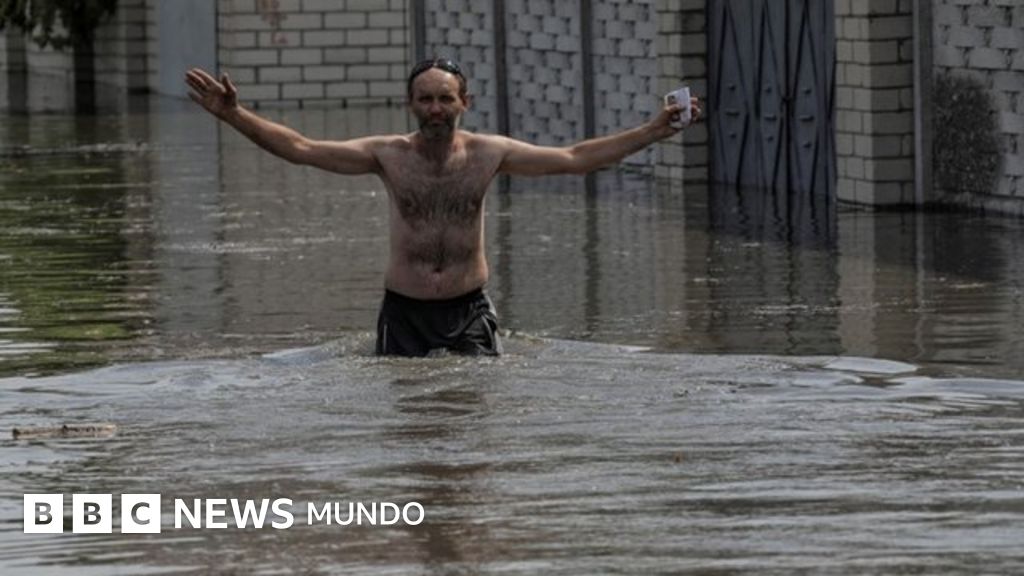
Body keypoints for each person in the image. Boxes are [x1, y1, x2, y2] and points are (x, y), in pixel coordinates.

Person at [184, 58, 701, 357]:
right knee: (410, 420)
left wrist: (653, 130)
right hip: (403, 314)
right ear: (411, 104)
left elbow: (573, 158)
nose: (435, 109)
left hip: (468, 311)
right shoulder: (386, 154)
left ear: (464, 103)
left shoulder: (488, 153)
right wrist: (234, 115)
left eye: (445, 99)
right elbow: (299, 149)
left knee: (473, 416)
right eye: (426, 99)